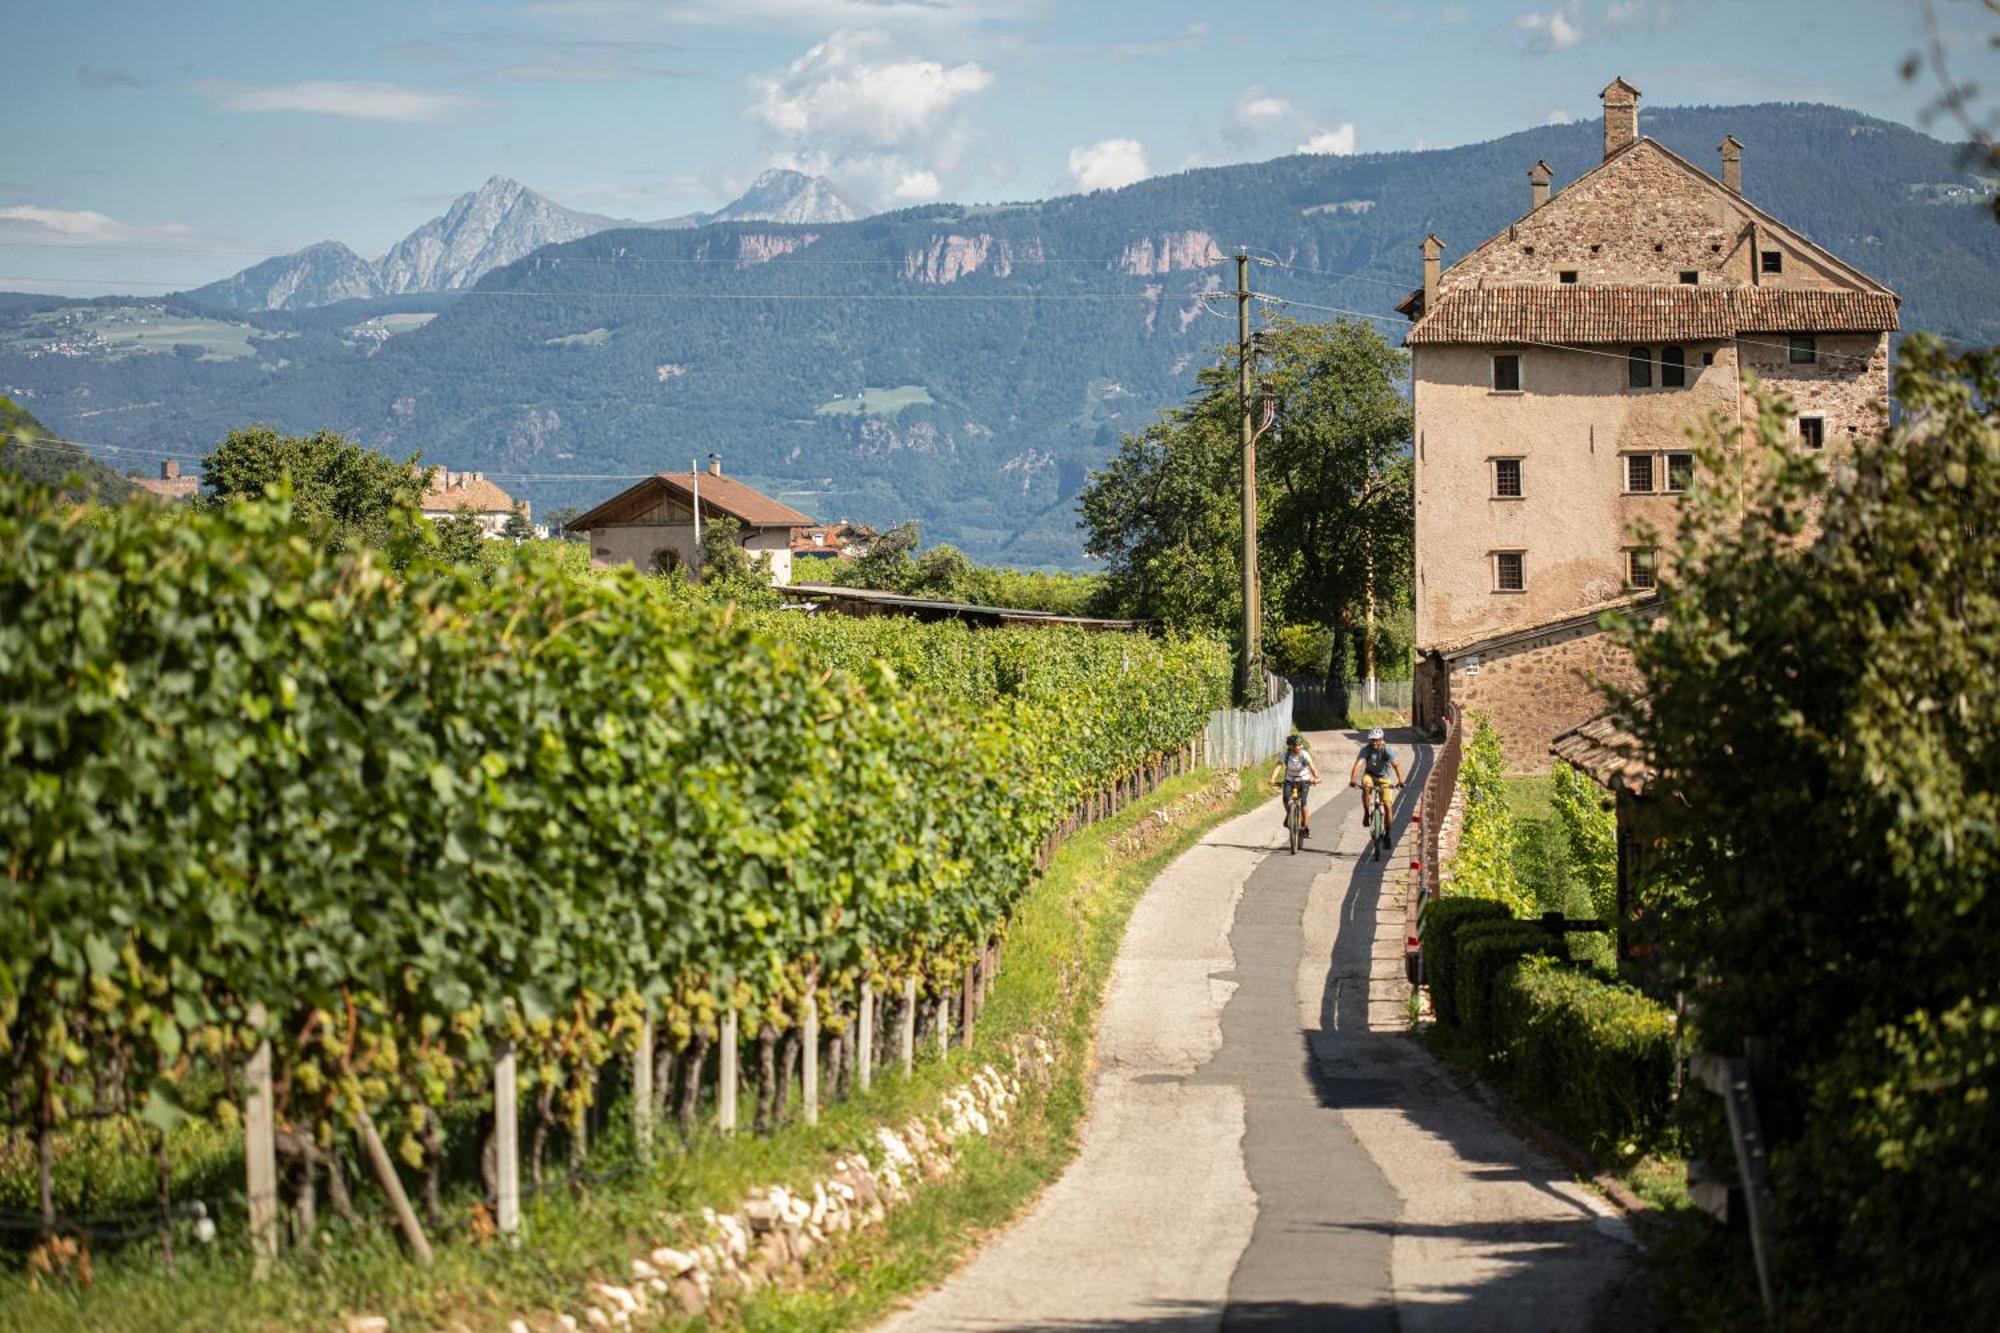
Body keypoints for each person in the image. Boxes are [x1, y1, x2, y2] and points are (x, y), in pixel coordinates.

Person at [1348, 727, 1406, 827]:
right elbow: (1358, 764)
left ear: (1381, 739)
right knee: (1366, 786)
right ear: (1369, 740)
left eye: (1377, 740)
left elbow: (1396, 765)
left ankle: (1387, 834)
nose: (1374, 742)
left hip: (1384, 778)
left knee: (1388, 806)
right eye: (1372, 740)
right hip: (1370, 775)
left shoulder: (1387, 750)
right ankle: (1367, 813)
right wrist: (1353, 780)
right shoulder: (1366, 750)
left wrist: (1401, 781)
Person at [1270, 732, 1320, 838]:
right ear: (1291, 746)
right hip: (1289, 780)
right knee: (1285, 799)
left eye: (1301, 745)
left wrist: (1316, 778)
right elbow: (1278, 767)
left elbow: (1312, 767)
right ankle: (1290, 814)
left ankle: (1305, 828)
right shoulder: (1286, 755)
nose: (1300, 747)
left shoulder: (1304, 754)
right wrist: (1272, 779)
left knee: (1303, 803)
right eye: (1298, 745)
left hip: (1304, 780)